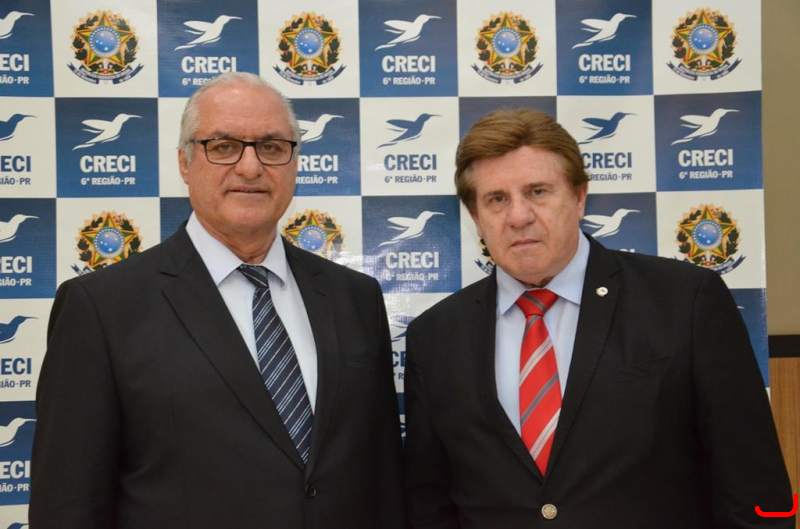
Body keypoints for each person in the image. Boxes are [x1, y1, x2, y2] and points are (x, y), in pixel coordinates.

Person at [30, 72, 404, 529]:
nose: (250, 167)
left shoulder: (356, 298)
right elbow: (67, 505)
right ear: (185, 163)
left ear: (294, 163)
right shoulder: (101, 308)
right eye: (224, 146)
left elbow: (384, 482)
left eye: (272, 147)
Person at [403, 108, 794, 528]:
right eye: (497, 199)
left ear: (579, 197)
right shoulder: (436, 336)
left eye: (538, 191)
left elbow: (755, 489)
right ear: (476, 218)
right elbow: (429, 504)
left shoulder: (685, 301)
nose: (518, 216)